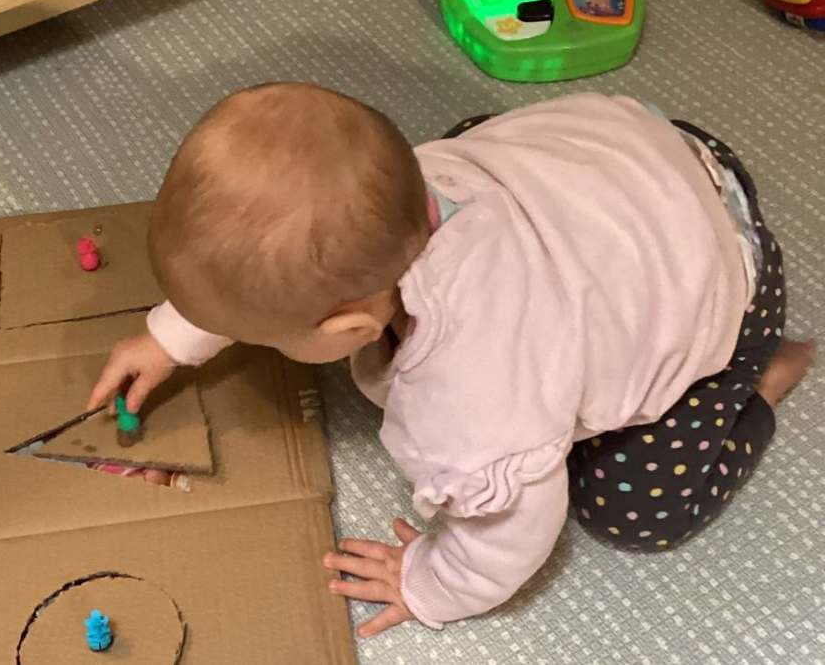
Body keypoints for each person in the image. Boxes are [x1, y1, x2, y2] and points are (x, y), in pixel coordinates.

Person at [86, 83, 816, 637]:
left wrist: (431, 583)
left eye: (264, 334)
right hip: (632, 156)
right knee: (360, 205)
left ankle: (762, 376)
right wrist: (172, 335)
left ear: (347, 326)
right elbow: (255, 251)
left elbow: (514, 532)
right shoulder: (396, 191)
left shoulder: (474, 400)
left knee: (633, 507)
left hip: (720, 275)